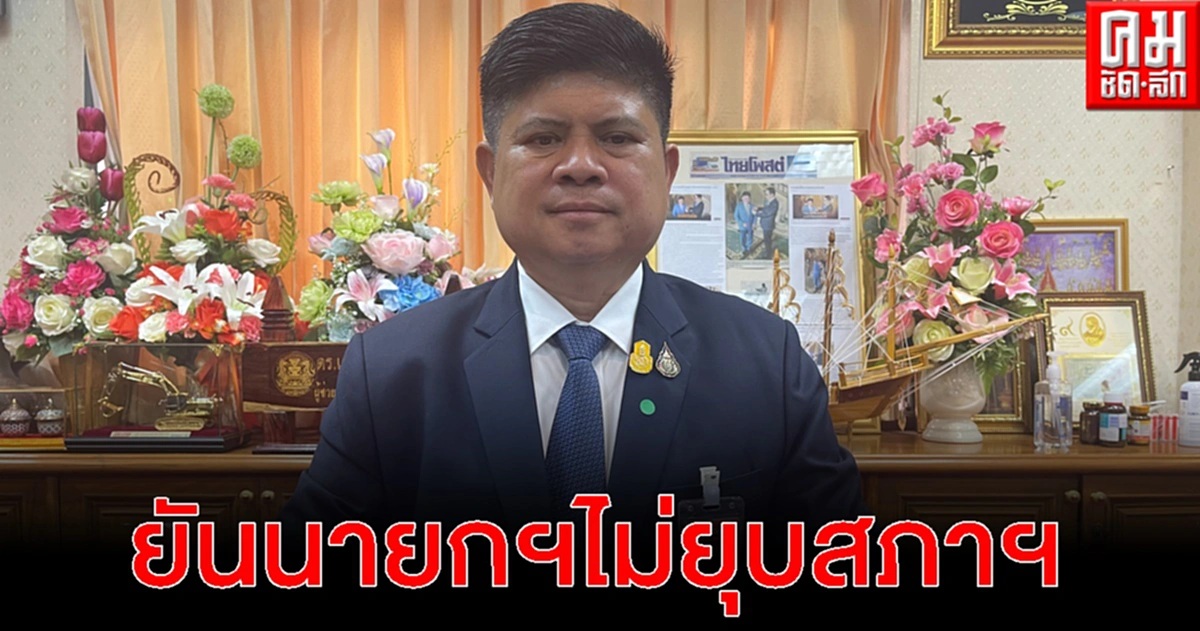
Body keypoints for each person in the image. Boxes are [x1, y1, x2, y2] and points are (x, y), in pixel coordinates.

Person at [279, 2, 869, 604]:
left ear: (667, 172)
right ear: (490, 172)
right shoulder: (391, 372)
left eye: (617, 138)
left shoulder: (767, 363)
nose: (581, 166)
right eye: (543, 139)